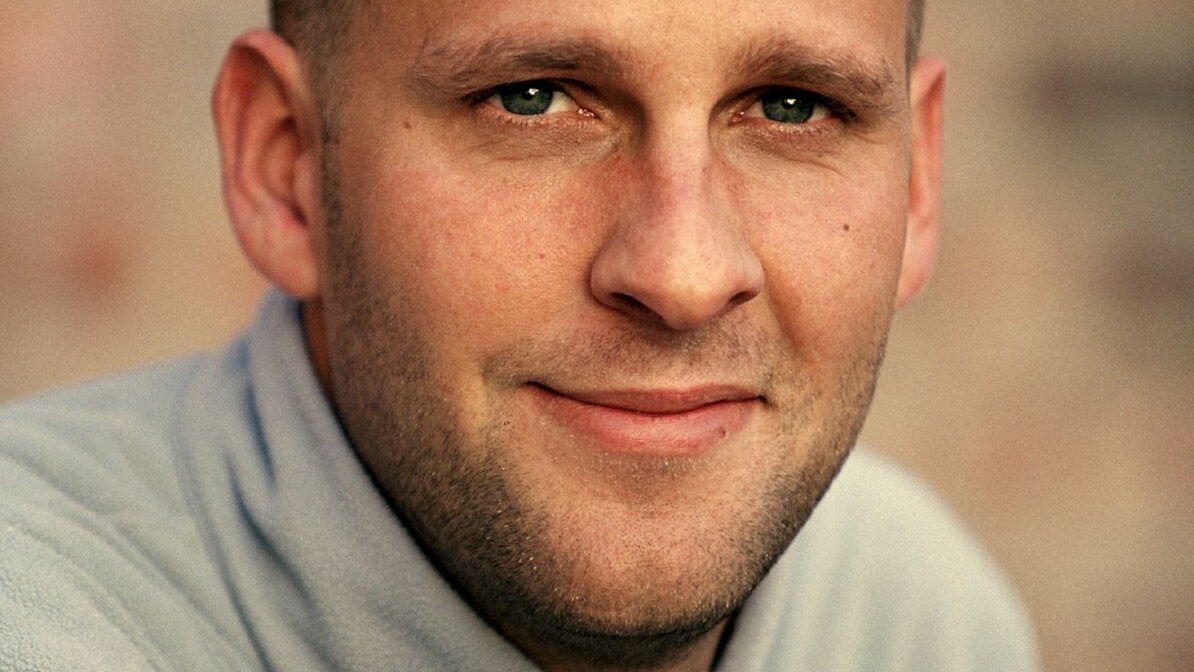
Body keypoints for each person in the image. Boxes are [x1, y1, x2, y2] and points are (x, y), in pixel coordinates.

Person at [0, 1, 1040, 670]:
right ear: (286, 165)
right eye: (531, 99)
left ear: (918, 183)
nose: (682, 276)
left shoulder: (920, 623)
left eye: (793, 107)